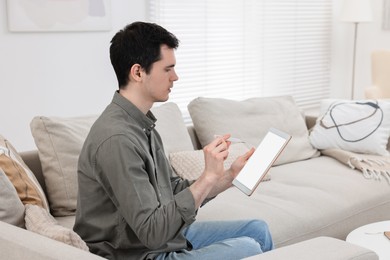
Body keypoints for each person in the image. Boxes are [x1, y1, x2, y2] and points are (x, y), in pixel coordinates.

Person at [74, 21, 273, 260]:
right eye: (167, 69)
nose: (175, 77)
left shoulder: (143, 123)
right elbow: (153, 232)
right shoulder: (117, 139)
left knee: (258, 230)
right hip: (136, 253)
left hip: (161, 239)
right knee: (248, 248)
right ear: (138, 72)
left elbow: (172, 190)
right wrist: (208, 176)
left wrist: (230, 176)